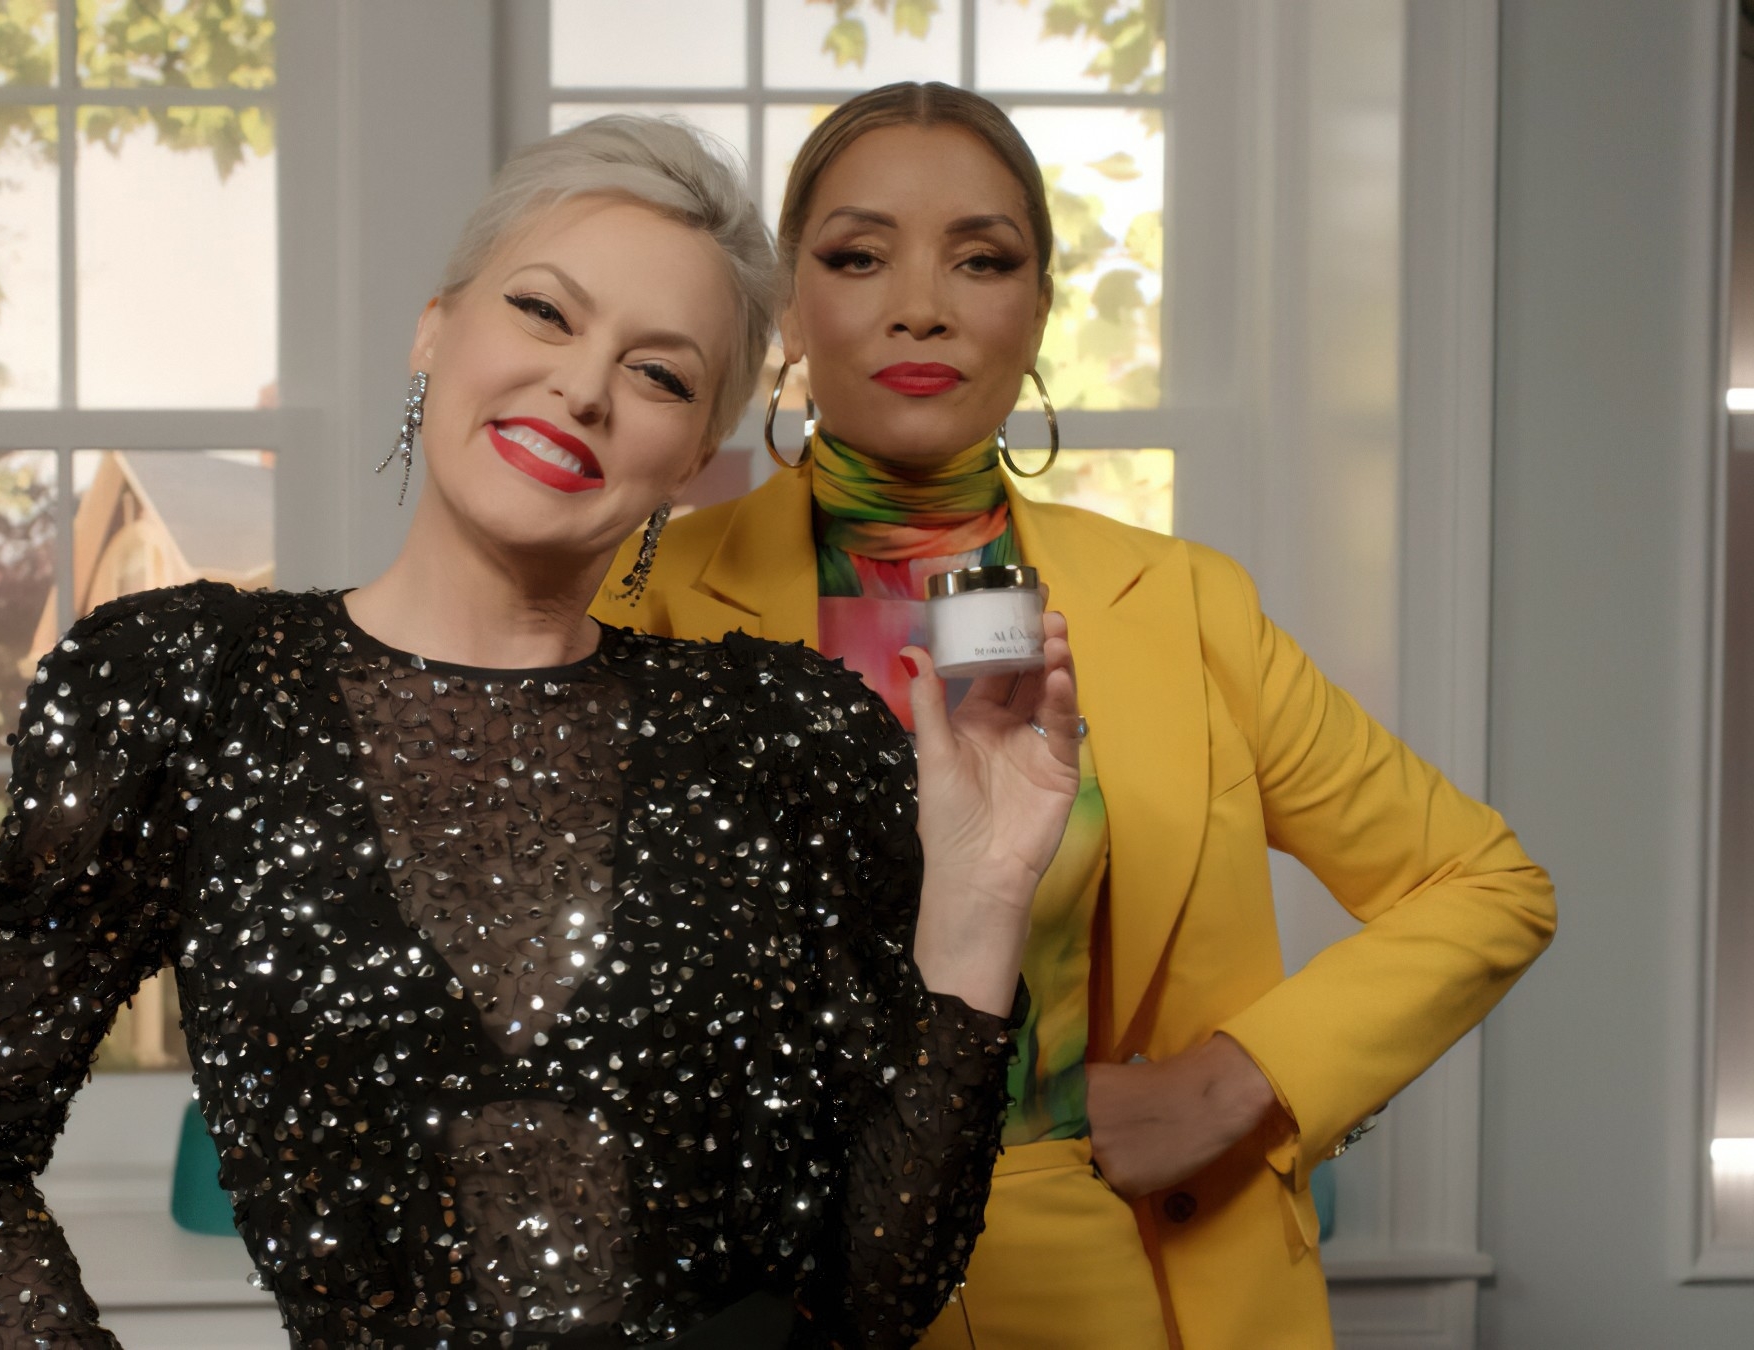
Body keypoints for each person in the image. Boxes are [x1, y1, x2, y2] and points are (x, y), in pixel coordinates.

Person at [0, 115, 1085, 1350]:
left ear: (689, 460)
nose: (582, 386)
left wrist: (984, 898)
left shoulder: (790, 739)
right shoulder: (192, 692)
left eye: (660, 374)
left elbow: (879, 1290)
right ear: (435, 326)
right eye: (545, 313)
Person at [593, 84, 1556, 1350]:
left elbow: (1486, 882)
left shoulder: (1186, 605)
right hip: (779, 1276)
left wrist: (1236, 1083)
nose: (920, 302)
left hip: (1098, 1264)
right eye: (859, 254)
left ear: (1038, 309)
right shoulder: (646, 593)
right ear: (791, 311)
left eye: (982, 259)